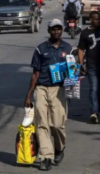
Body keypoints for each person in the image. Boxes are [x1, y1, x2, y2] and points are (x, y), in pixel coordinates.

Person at [25, 19, 71, 171]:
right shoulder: (40, 49)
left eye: (58, 29)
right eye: (53, 29)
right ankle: (46, 156)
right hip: (41, 89)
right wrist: (29, 95)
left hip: (59, 89)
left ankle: (59, 148)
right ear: (49, 30)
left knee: (57, 124)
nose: (56, 31)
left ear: (62, 30)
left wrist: (76, 76)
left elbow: (73, 70)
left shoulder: (68, 48)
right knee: (42, 123)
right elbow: (35, 73)